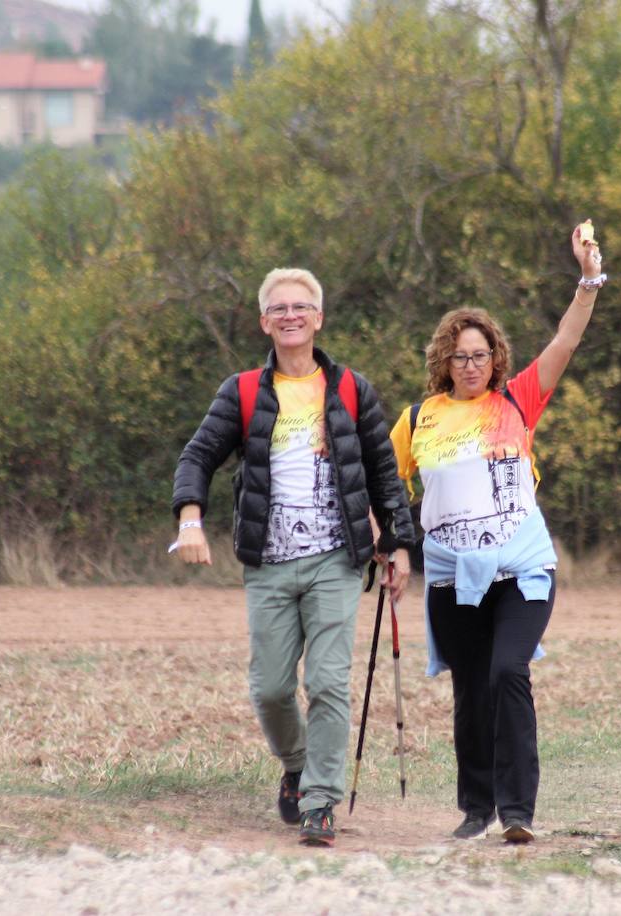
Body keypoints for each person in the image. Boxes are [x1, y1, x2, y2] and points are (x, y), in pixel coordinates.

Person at [172, 267, 415, 847]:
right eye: (278, 308)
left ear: (318, 318)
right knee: (272, 689)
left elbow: (385, 473)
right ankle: (298, 764)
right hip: (269, 562)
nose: (289, 316)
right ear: (264, 321)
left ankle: (320, 803)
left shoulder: (352, 390)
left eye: (300, 306)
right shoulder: (244, 391)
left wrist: (400, 543)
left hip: (337, 560)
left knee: (329, 683)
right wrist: (189, 518)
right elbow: (198, 455)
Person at [388, 222, 608, 844]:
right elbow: (385, 483)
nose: (471, 365)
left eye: (481, 354)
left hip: (522, 570)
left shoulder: (518, 401)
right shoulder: (419, 418)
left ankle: (517, 813)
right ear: (444, 360)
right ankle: (475, 810)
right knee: (470, 691)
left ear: (496, 359)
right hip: (453, 576)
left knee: (508, 671)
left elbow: (565, 341)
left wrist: (588, 279)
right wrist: (390, 544)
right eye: (460, 355)